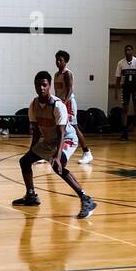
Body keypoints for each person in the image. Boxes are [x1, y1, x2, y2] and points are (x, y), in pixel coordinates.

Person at [12, 70, 97, 219]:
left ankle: (86, 199)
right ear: (35, 86)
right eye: (38, 85)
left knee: (57, 166)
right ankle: (31, 196)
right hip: (48, 140)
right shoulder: (33, 105)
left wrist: (57, 157)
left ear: (49, 86)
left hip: (67, 139)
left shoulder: (57, 106)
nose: (41, 88)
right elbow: (37, 133)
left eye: (44, 85)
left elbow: (61, 134)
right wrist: (32, 152)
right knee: (25, 161)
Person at [53, 51, 92, 164]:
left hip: (68, 103)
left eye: (60, 60)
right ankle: (53, 152)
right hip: (60, 103)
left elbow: (70, 90)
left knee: (74, 127)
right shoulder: (56, 74)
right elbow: (57, 91)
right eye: (57, 60)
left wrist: (64, 103)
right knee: (58, 128)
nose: (58, 62)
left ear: (66, 61)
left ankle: (87, 152)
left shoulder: (67, 73)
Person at [115, 44, 136, 141]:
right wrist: (116, 91)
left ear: (132, 51)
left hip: (135, 87)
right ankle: (124, 133)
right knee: (125, 109)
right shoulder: (121, 63)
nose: (128, 51)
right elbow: (118, 78)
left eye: (129, 50)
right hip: (125, 88)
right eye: (126, 50)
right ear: (124, 51)